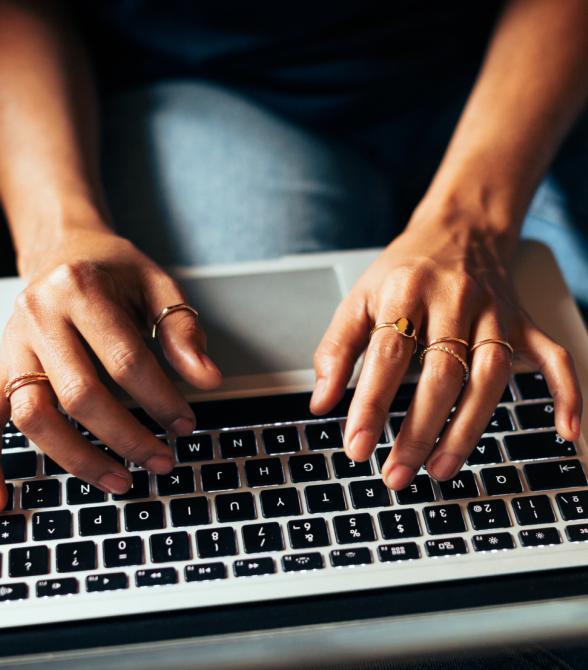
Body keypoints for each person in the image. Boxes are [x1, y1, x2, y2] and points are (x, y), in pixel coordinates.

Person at [0, 2, 586, 507]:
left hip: (508, 62)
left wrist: (473, 225)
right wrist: (59, 234)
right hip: (227, 90)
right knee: (276, 400)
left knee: (561, 389)